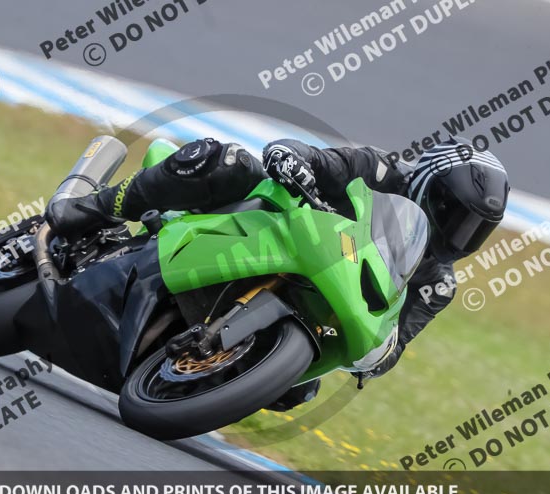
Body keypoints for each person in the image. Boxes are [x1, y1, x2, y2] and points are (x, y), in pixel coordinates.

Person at [46, 136, 510, 411]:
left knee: (296, 391)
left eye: (476, 230)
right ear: (430, 185)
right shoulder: (379, 170)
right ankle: (92, 208)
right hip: (268, 229)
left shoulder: (436, 284)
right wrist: (293, 161)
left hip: (320, 301)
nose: (459, 234)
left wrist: (380, 353)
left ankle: (194, 378)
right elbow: (309, 156)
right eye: (454, 215)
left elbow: (392, 345)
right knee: (225, 161)